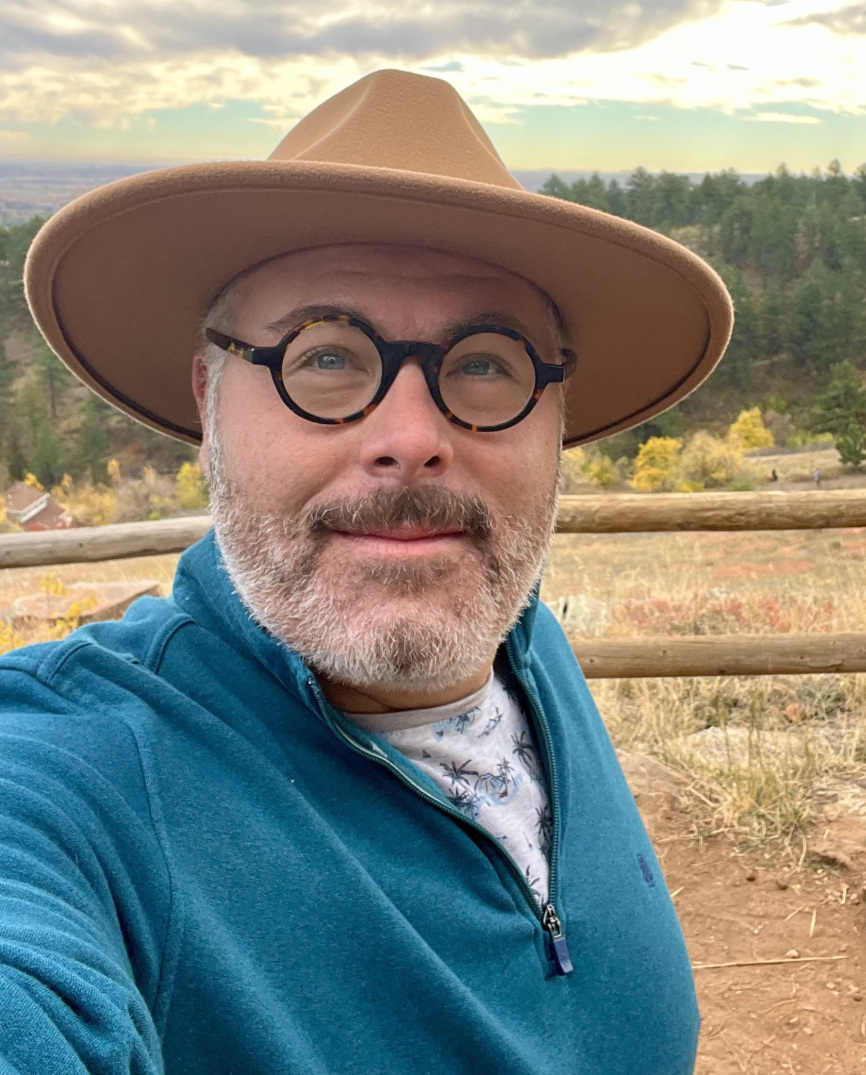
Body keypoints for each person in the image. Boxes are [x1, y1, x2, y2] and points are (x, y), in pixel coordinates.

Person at [2, 71, 732, 1074]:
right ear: (210, 404)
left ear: (555, 420)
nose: (409, 438)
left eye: (484, 362)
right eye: (327, 356)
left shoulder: (522, 639)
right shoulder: (77, 780)